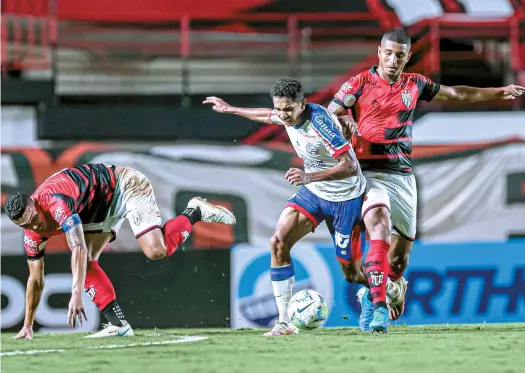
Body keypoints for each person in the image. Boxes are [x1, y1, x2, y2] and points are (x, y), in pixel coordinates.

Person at [328, 28, 525, 333]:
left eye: (400, 55)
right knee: (377, 227)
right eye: (388, 53)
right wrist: (345, 119)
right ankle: (378, 306)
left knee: (396, 264)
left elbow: (457, 93)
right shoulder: (359, 82)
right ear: (380, 52)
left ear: (408, 57)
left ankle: (384, 288)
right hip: (367, 174)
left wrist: (499, 92)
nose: (393, 60)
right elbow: (332, 111)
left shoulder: (415, 84)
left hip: (403, 176)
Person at [204, 78, 367, 336]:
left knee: (353, 273)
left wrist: (308, 176)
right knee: (278, 242)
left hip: (344, 198)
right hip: (314, 193)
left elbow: (350, 166)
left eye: (288, 109)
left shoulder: (321, 123)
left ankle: (387, 286)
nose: (283, 115)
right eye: (280, 109)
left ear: (303, 104)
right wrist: (231, 109)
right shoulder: (285, 113)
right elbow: (267, 116)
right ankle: (284, 322)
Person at [4, 163, 236, 339]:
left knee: (155, 250)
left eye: (34, 218)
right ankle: (119, 325)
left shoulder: (56, 203)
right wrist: (27, 324)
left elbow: (77, 246)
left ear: (35, 204)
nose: (35, 226)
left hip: (123, 185)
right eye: (26, 224)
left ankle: (194, 210)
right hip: (96, 210)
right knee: (85, 266)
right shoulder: (31, 232)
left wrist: (76, 292)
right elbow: (35, 279)